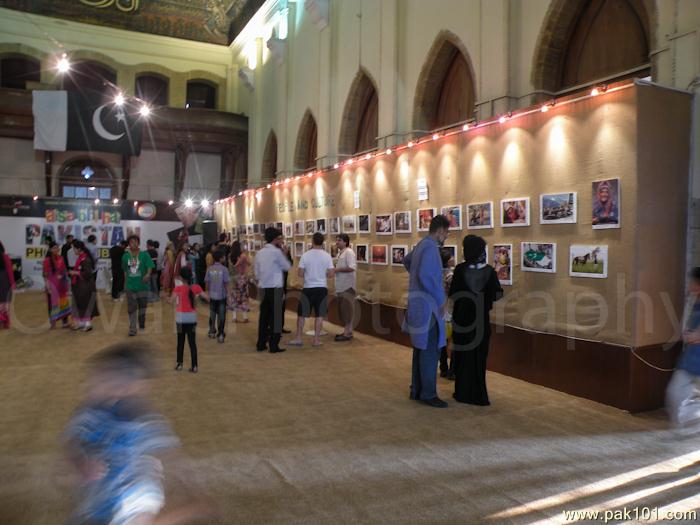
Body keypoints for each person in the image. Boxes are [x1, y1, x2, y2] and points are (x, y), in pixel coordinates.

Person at [63, 342, 210, 524]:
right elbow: (72, 440)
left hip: (128, 505)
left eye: (104, 380)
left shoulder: (149, 425)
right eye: (96, 380)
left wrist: (192, 502)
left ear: (128, 385)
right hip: (91, 509)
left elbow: (174, 462)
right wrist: (80, 461)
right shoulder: (88, 412)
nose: (90, 387)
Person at [403, 214, 451, 408]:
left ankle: (416, 389)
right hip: (428, 308)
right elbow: (425, 276)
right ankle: (428, 394)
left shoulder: (421, 245)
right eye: (446, 233)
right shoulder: (431, 247)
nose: (446, 237)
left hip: (417, 305)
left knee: (420, 349)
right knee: (430, 351)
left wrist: (415, 276)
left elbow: (407, 261)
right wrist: (441, 299)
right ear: (440, 231)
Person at [449, 235, 503, 405]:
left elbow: (453, 293)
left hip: (462, 319)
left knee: (462, 355)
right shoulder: (489, 271)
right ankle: (478, 394)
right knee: (479, 357)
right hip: (481, 320)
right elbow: (497, 294)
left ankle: (462, 392)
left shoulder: (460, 270)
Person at [667, 267, 700, 434]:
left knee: (676, 392)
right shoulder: (696, 301)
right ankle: (681, 425)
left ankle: (688, 422)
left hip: (695, 357)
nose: (690, 285)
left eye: (692, 282)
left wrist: (693, 335)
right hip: (691, 358)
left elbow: (695, 335)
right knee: (674, 392)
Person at [289, 232, 335, 347]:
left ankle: (298, 338)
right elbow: (331, 274)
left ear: (312, 241)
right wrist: (321, 274)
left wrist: (310, 274)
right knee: (319, 315)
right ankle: (316, 340)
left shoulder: (305, 255)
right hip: (322, 288)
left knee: (301, 314)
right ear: (322, 242)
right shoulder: (327, 256)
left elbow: (300, 273)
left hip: (308, 288)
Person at [254, 227, 291, 353]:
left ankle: (261, 343)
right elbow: (287, 266)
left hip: (263, 287)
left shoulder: (260, 253)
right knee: (276, 317)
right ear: (275, 239)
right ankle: (273, 345)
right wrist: (285, 254)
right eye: (279, 238)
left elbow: (257, 273)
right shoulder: (276, 252)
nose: (280, 240)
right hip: (276, 287)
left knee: (264, 316)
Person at [172, 267, 205, 373]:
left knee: (180, 342)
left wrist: (164, 297)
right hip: (192, 318)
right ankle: (194, 366)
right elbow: (207, 297)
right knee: (192, 343)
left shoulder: (178, 288)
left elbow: (171, 300)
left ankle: (179, 364)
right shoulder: (196, 287)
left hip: (180, 318)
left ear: (181, 278)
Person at [122, 235, 154, 336]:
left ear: (138, 243)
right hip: (130, 287)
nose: (134, 243)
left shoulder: (145, 255)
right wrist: (125, 284)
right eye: (131, 242)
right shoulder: (125, 256)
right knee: (131, 308)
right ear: (129, 244)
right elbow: (125, 271)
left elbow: (150, 266)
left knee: (142, 307)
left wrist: (148, 274)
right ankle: (132, 328)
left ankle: (142, 323)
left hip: (142, 286)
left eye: (135, 241)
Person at [69, 240, 99, 332]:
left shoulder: (85, 259)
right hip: (81, 286)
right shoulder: (81, 258)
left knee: (85, 304)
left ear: (78, 249)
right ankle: (81, 323)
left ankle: (87, 324)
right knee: (80, 304)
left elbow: (87, 274)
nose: (73, 251)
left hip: (85, 286)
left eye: (74, 249)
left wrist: (75, 272)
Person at [334, 234, 357, 342]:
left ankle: (347, 333)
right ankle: (347, 331)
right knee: (343, 310)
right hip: (340, 285)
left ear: (345, 242)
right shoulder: (340, 253)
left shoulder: (349, 252)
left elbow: (352, 267)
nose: (337, 242)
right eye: (336, 240)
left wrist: (337, 270)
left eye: (339, 240)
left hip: (347, 286)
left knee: (347, 310)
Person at [43, 241, 71, 329]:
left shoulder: (61, 258)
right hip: (52, 286)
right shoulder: (47, 260)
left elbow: (64, 271)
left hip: (61, 285)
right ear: (50, 249)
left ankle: (65, 322)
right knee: (52, 304)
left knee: (63, 303)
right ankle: (52, 322)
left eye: (57, 247)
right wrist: (48, 287)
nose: (56, 249)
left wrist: (65, 282)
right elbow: (45, 275)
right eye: (54, 248)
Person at [205, 251, 229, 343]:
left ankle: (212, 332)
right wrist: (229, 295)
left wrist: (207, 293)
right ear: (221, 258)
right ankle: (221, 335)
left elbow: (207, 282)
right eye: (224, 257)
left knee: (212, 314)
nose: (225, 258)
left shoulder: (209, 269)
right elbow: (226, 284)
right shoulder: (224, 269)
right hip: (221, 296)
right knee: (221, 315)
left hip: (212, 296)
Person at [439, 248, 456, 380]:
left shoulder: (436, 273)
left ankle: (443, 368)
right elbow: (454, 294)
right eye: (451, 257)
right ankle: (452, 370)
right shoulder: (450, 275)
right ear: (447, 261)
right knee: (454, 343)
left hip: (440, 312)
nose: (453, 258)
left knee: (442, 343)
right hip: (449, 311)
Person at [228, 240, 251, 323]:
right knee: (243, 297)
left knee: (234, 297)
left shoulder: (230, 256)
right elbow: (249, 263)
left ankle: (234, 317)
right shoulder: (243, 255)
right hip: (242, 278)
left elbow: (231, 267)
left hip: (232, 278)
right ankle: (245, 317)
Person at [0, 242, 15, 329]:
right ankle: (5, 321)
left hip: (3, 281)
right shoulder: (5, 257)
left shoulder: (5, 257)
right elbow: (10, 271)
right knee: (5, 301)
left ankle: (2, 319)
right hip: (4, 281)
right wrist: (12, 284)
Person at [280, 241, 293, 334]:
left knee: (282, 306)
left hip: (283, 282)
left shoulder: (286, 251)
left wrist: (286, 254)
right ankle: (274, 329)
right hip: (275, 283)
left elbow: (290, 263)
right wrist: (284, 254)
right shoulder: (275, 252)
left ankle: (280, 327)